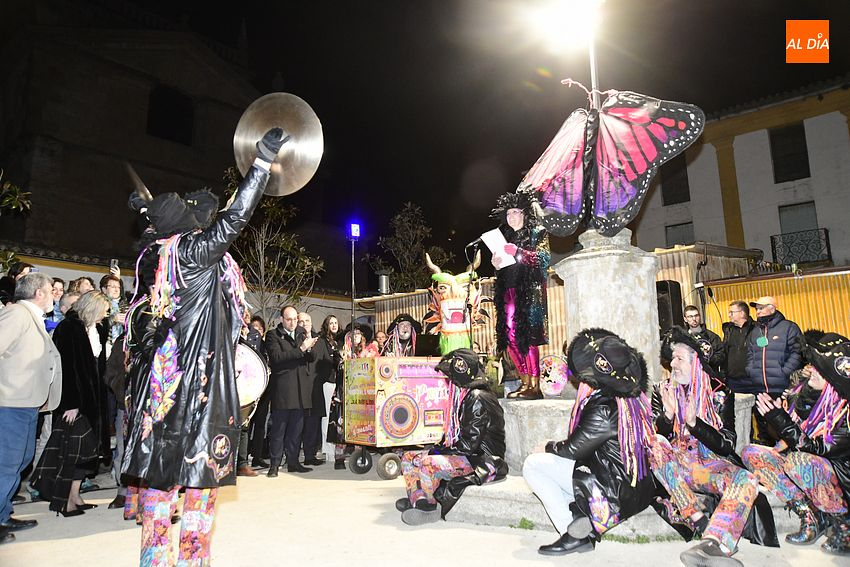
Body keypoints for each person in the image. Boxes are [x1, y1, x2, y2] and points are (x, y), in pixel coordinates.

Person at [122, 127, 290, 564]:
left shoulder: (157, 258)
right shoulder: (196, 253)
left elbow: (156, 232)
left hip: (163, 385)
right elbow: (236, 217)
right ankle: (193, 560)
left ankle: (154, 560)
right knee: (201, 487)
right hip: (198, 385)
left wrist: (144, 210)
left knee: (160, 485)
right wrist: (261, 164)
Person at [523, 329, 655, 555]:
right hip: (630, 482)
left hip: (614, 488)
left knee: (533, 465)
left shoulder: (604, 406)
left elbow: (573, 449)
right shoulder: (625, 397)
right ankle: (579, 514)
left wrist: (547, 445)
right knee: (555, 470)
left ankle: (574, 533)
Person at [651, 326, 761, 567]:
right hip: (674, 467)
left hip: (706, 468)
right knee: (655, 444)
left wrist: (695, 424)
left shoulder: (719, 391)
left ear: (696, 362)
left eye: (679, 359)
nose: (673, 364)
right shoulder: (663, 390)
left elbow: (727, 444)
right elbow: (654, 437)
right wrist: (667, 417)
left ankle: (713, 544)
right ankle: (699, 519)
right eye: (672, 359)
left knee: (747, 478)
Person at [742, 333, 850, 555]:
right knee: (752, 453)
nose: (811, 369)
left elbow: (817, 448)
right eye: (812, 364)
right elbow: (791, 428)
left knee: (798, 461)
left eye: (819, 368)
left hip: (838, 481)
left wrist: (780, 420)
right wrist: (776, 417)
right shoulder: (810, 393)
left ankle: (844, 524)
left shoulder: (845, 412)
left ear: (833, 379)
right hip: (810, 466)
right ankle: (810, 515)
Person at [396, 348, 508, 526]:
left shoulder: (477, 398)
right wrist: (438, 447)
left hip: (481, 460)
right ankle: (419, 500)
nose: (448, 381)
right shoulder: (466, 395)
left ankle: (430, 508)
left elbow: (469, 446)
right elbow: (457, 437)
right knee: (409, 457)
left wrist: (437, 451)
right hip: (468, 454)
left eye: (451, 377)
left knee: (428, 463)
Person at [32, 291, 111, 516]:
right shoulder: (69, 328)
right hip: (76, 401)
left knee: (86, 452)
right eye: (103, 311)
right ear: (92, 308)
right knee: (70, 452)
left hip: (93, 399)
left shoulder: (96, 329)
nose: (105, 315)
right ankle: (63, 500)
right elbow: (65, 368)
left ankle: (75, 495)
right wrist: (71, 403)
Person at [0, 272, 62, 544]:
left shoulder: (31, 317)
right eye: (51, 291)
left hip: (27, 404)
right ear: (39, 293)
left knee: (20, 461)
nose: (53, 296)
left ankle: (3, 514)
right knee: (5, 464)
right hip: (9, 403)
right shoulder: (17, 315)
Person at [490, 191, 549, 400]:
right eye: (508, 213)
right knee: (509, 337)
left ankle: (535, 385)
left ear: (524, 213)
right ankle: (524, 382)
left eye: (515, 212)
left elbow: (544, 259)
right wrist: (497, 265)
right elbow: (505, 266)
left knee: (528, 336)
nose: (511, 216)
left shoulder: (537, 232)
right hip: (507, 291)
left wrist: (519, 252)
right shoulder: (504, 238)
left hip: (528, 291)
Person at [264, 305, 318, 476]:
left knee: (296, 430)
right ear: (281, 319)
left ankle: (293, 462)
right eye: (289, 319)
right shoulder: (273, 335)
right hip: (284, 390)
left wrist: (309, 345)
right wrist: (301, 349)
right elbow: (277, 358)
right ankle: (274, 464)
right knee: (279, 430)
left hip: (301, 389)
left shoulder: (301, 333)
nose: (293, 322)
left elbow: (311, 358)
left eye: (295, 319)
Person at [745, 296, 803, 444]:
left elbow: (798, 352)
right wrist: (752, 371)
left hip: (782, 389)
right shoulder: (755, 332)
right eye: (757, 308)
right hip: (760, 389)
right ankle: (766, 454)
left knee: (784, 427)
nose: (757, 311)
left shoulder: (789, 327)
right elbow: (750, 354)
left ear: (772, 308)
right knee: (764, 429)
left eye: (761, 308)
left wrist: (785, 372)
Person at [306, 314, 342, 467]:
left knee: (337, 418)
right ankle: (328, 450)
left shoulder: (339, 342)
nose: (334, 325)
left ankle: (335, 449)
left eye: (336, 322)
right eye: (331, 323)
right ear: (326, 325)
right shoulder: (321, 341)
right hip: (327, 382)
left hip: (338, 382)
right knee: (327, 417)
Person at [297, 311, 324, 466]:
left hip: (314, 388)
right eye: (301, 321)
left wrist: (319, 380)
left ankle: (310, 456)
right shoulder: (294, 340)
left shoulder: (319, 340)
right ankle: (292, 457)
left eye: (307, 321)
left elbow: (326, 363)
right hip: (298, 388)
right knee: (296, 425)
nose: (305, 324)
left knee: (313, 424)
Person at [721, 301, 756, 393]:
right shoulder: (728, 330)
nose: (729, 315)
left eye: (732, 312)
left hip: (753, 381)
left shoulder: (757, 328)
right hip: (733, 381)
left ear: (742, 313)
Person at [683, 305, 724, 375]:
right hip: (689, 376)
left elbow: (720, 356)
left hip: (708, 376)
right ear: (685, 319)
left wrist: (707, 358)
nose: (694, 319)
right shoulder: (683, 337)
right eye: (690, 316)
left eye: (696, 315)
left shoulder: (712, 336)